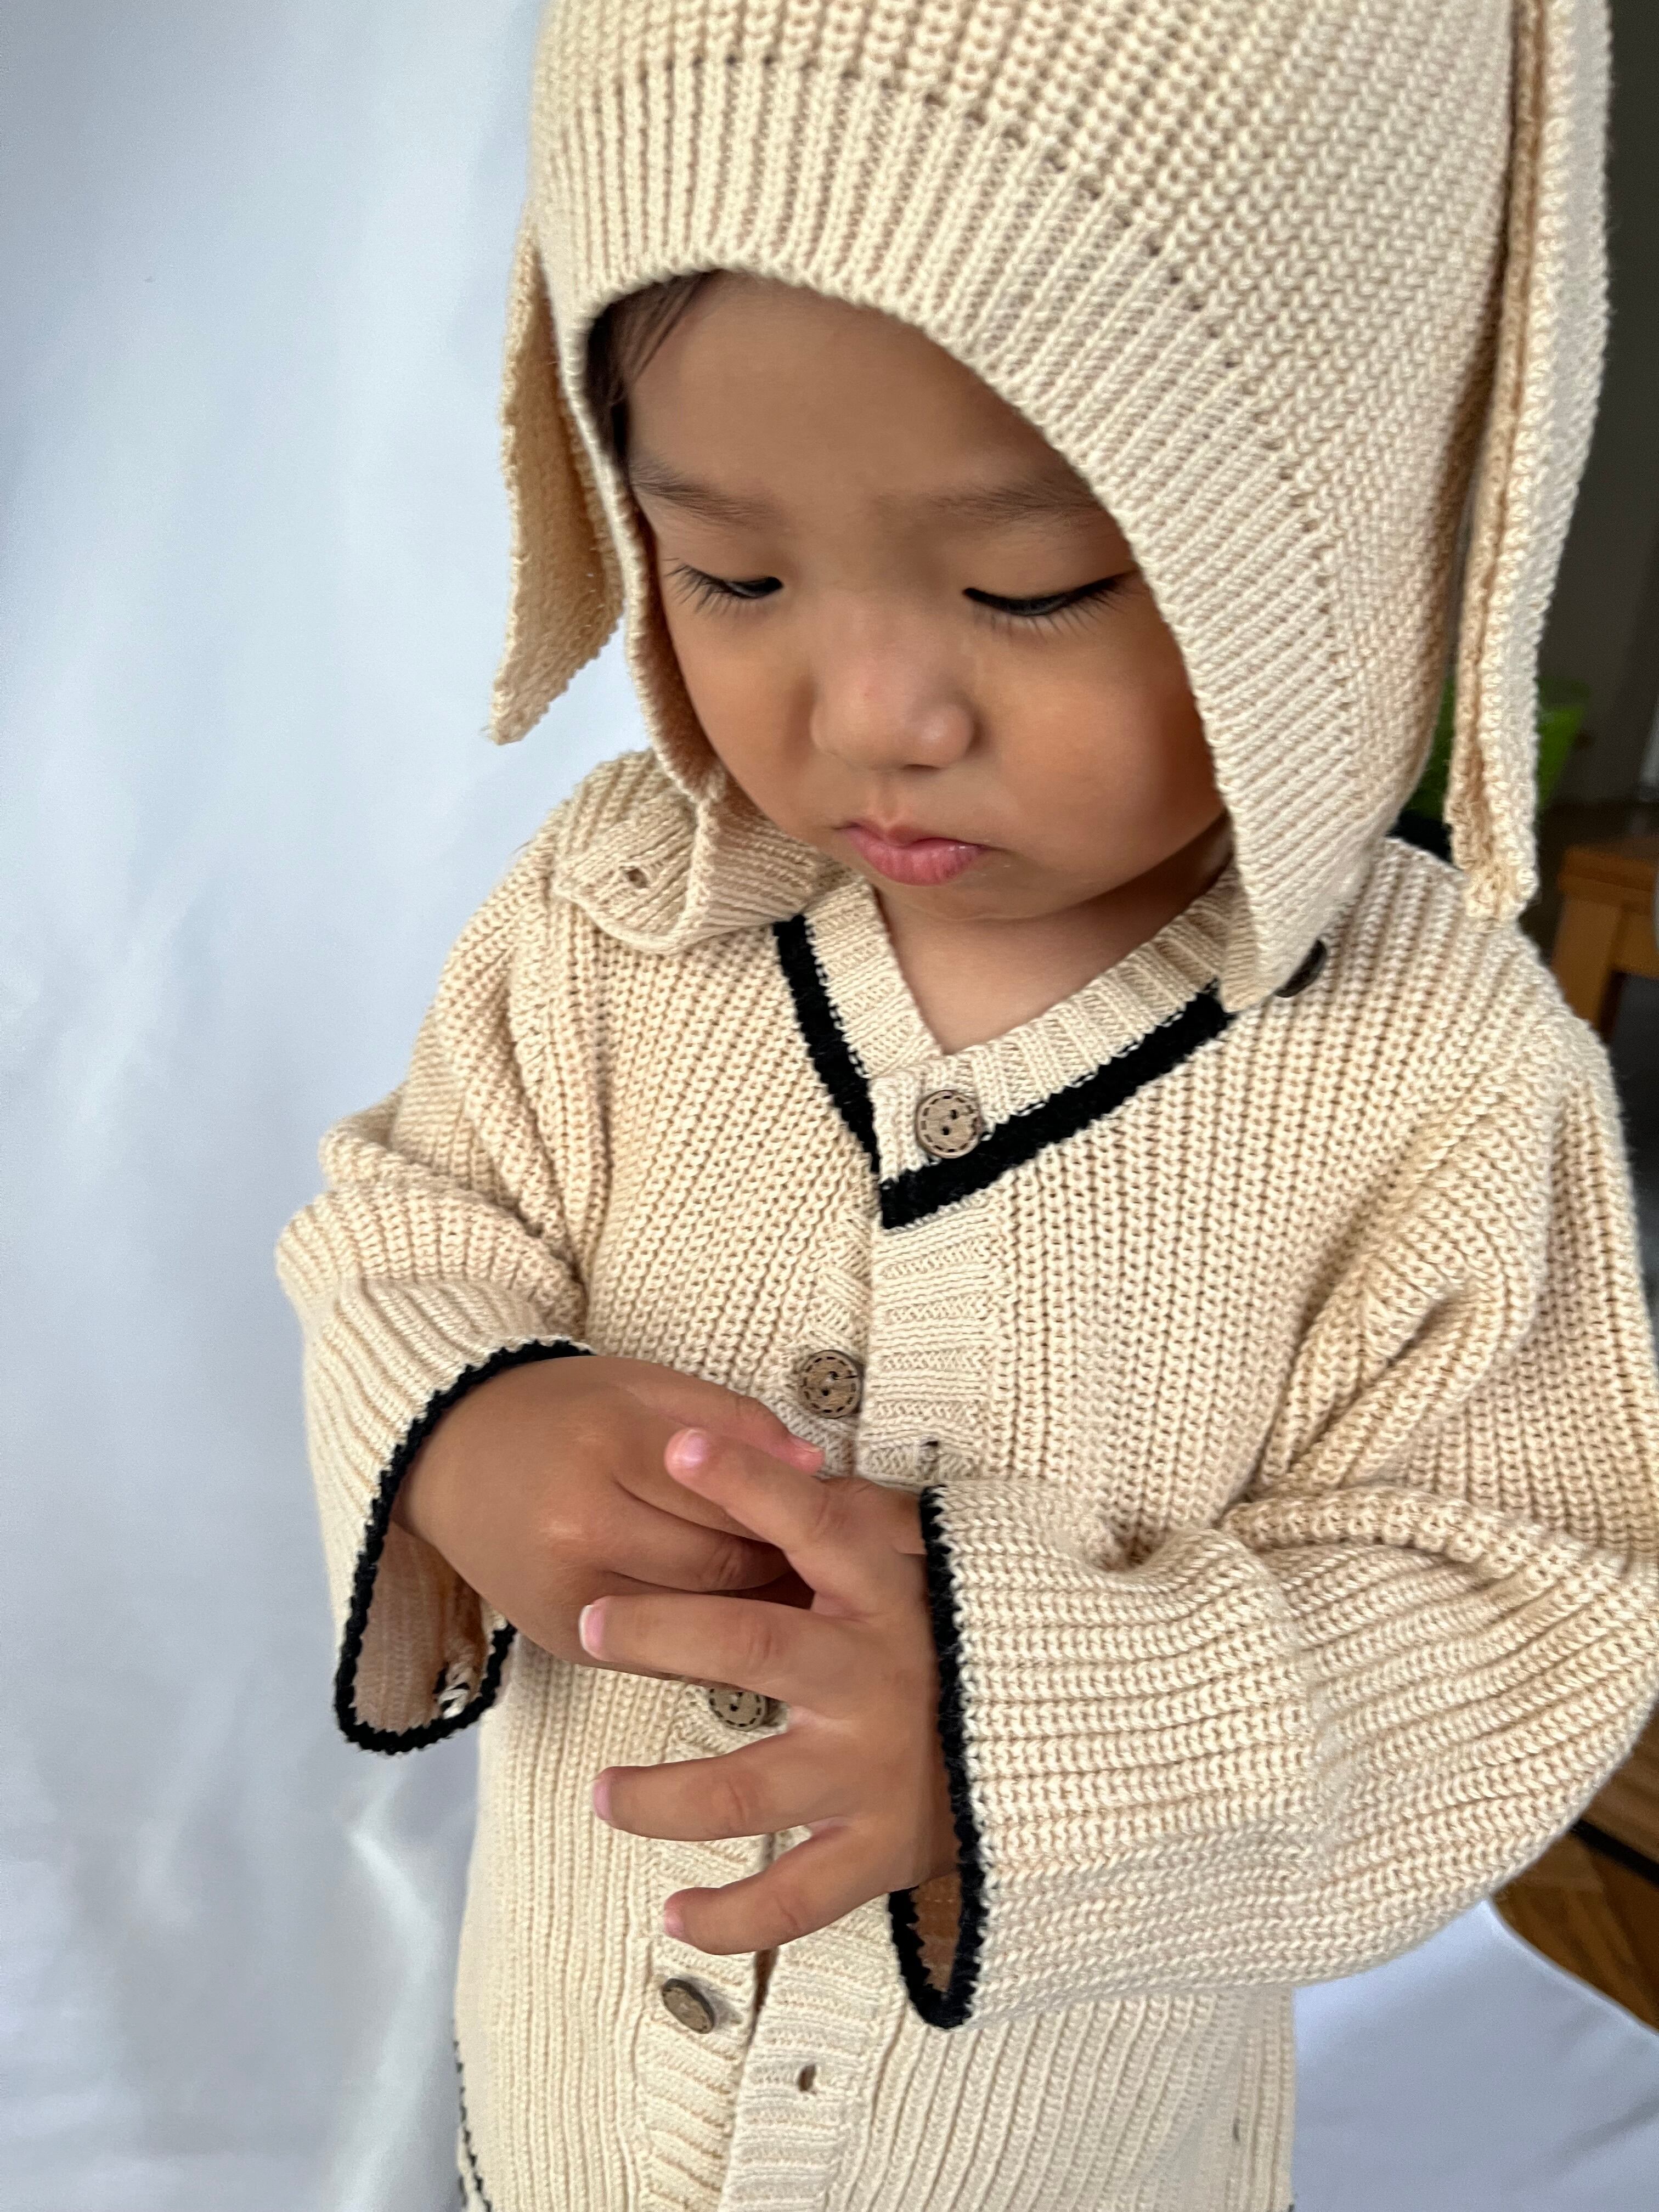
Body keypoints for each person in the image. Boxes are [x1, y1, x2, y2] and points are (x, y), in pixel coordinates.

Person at [274, 3, 1659, 2207]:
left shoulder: (1434, 1072)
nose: (873, 712)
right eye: (734, 573)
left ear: (1344, 546)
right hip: (577, 2094)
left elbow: (1521, 1598)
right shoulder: (619, 923)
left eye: (1033, 588)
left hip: (1059, 2146)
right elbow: (405, 1221)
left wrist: (1051, 1735)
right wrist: (469, 1419)